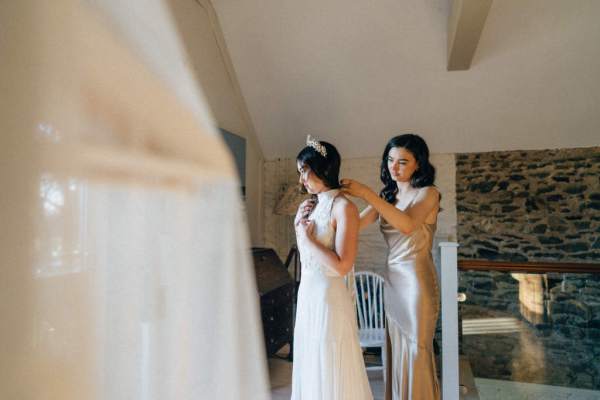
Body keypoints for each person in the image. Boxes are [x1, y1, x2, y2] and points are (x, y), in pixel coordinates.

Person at [342, 134, 441, 400]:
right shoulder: (388, 196)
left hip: (417, 284)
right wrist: (329, 206)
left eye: (402, 162)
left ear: (418, 164)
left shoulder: (428, 193)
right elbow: (354, 226)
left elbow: (408, 225)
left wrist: (366, 194)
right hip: (394, 284)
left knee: (416, 353)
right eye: (390, 160)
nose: (393, 168)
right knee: (396, 353)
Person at [291, 135, 373, 400]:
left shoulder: (344, 207)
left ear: (322, 169)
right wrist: (298, 226)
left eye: (304, 171)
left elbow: (342, 265)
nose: (301, 180)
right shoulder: (310, 207)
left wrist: (306, 239)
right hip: (309, 295)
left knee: (329, 361)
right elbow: (307, 257)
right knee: (311, 360)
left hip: (329, 299)